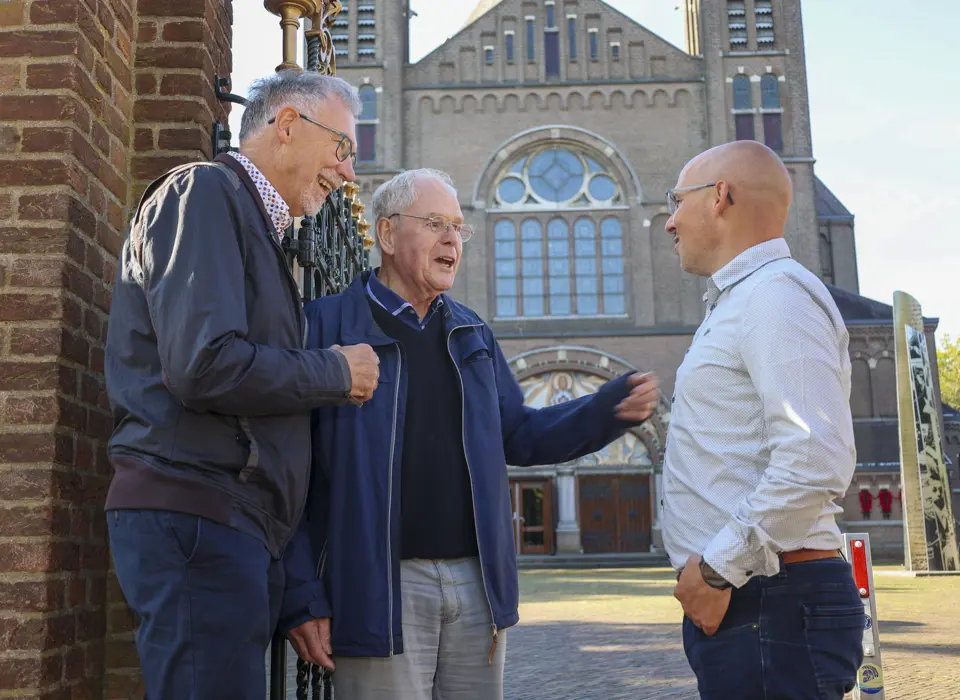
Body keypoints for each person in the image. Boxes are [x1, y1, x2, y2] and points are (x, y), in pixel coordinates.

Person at [281, 168, 662, 699]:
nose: (451, 240)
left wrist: (605, 410)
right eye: (435, 223)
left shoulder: (471, 334)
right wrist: (301, 592)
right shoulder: (321, 327)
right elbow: (286, 472)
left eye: (459, 228)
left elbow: (520, 434)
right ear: (387, 236)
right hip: (377, 587)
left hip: (477, 587)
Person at [103, 71, 380, 700]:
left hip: (229, 521)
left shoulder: (250, 220)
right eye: (342, 149)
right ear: (287, 125)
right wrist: (335, 372)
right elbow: (206, 364)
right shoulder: (204, 192)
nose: (349, 174)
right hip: (198, 515)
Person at [660, 140, 864, 699]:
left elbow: (813, 458)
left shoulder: (775, 298)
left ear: (721, 196)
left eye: (676, 201)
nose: (670, 221)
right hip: (755, 599)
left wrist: (718, 570)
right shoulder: (744, 300)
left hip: (768, 597)